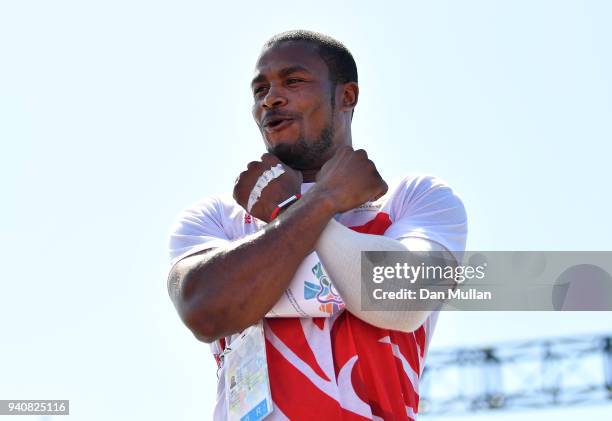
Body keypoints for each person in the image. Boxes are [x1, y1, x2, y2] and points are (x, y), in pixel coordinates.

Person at [167, 30, 467, 420]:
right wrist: (317, 204)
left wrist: (294, 209)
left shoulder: (413, 199)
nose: (270, 98)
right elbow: (206, 311)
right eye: (260, 90)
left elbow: (403, 301)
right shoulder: (216, 219)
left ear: (347, 96)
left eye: (293, 81)